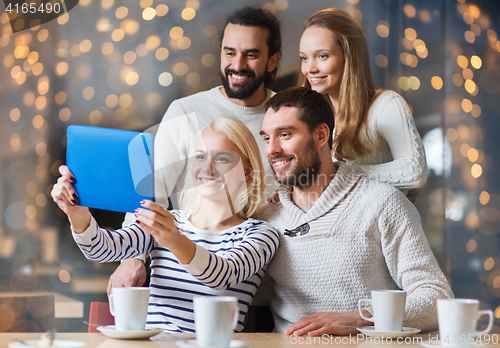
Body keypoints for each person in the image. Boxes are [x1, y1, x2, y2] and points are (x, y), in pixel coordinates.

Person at [108, 7, 282, 294]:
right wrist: (133, 257)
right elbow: (151, 191)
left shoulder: (286, 117)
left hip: (270, 288)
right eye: (229, 52)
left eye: (251, 54)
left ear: (272, 60)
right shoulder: (186, 111)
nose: (237, 64)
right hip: (193, 284)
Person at [51, 117, 279, 333]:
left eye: (222, 159)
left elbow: (221, 275)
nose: (207, 167)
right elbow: (101, 250)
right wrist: (78, 214)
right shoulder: (171, 221)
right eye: (200, 157)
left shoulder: (261, 234)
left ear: (247, 171)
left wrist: (174, 239)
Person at [257, 87, 453, 336]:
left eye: (284, 134)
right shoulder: (265, 218)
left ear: (320, 135)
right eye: (266, 138)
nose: (271, 150)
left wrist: (360, 318)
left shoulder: (382, 203)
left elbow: (437, 299)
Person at [298, 8, 427, 198]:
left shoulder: (387, 105)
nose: (310, 69)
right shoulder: (307, 114)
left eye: (322, 56)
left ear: (349, 56)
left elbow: (415, 172)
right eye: (304, 58)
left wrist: (338, 175)